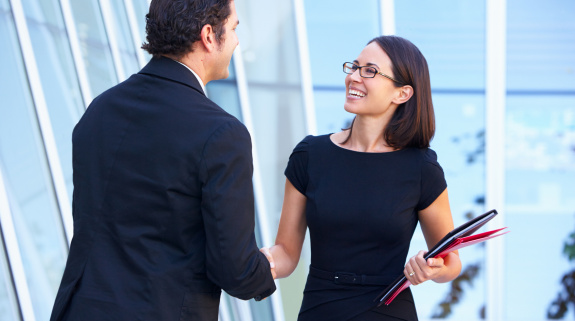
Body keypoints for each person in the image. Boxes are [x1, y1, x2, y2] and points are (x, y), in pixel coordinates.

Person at [49, 1, 276, 320]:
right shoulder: (222, 133)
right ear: (209, 35)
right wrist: (270, 266)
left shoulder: (98, 112)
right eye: (235, 28)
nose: (238, 40)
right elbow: (234, 269)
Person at [260, 35, 462, 320]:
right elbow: (286, 254)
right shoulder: (310, 155)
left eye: (369, 71)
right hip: (320, 310)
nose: (354, 77)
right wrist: (260, 262)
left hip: (389, 312)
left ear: (402, 94)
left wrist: (434, 269)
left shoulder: (421, 168)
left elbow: (451, 260)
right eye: (354, 67)